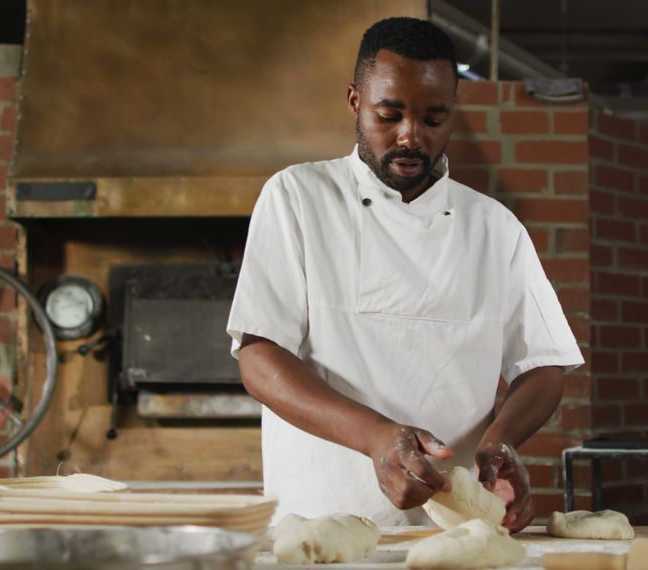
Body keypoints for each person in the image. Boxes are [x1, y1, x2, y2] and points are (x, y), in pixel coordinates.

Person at [226, 16, 583, 532]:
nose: (410, 136)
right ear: (355, 102)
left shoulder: (494, 227)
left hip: (457, 527)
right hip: (321, 521)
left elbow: (544, 365)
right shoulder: (297, 198)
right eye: (388, 115)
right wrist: (376, 436)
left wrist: (500, 441)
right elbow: (259, 357)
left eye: (434, 119)